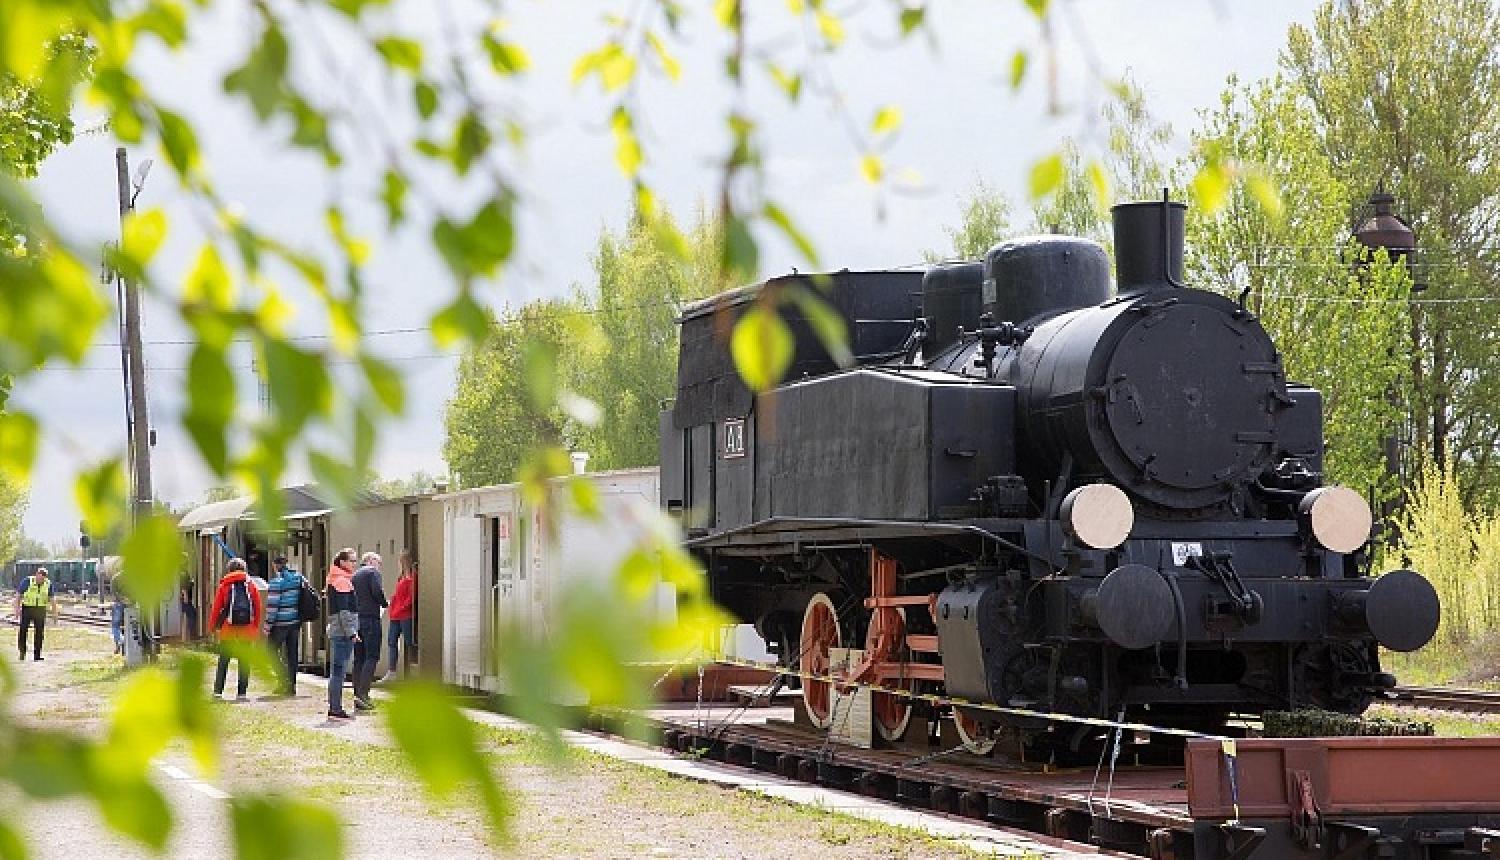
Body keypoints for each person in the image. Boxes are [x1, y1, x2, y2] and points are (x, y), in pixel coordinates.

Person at [208, 558, 264, 700]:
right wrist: (255, 627)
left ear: (229, 570)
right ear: (244, 569)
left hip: (228, 629)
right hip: (247, 629)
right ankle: (241, 693)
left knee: (224, 660)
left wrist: (212, 627)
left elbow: (216, 609)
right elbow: (258, 608)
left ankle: (218, 691)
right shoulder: (251, 585)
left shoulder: (224, 586)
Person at [325, 548, 359, 719]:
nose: (354, 564)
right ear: (342, 562)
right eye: (352, 561)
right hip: (343, 632)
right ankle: (335, 708)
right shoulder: (342, 582)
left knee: (336, 671)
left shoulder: (334, 579)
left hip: (337, 630)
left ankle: (334, 706)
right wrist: (352, 632)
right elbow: (344, 612)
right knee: (339, 671)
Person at [350, 551, 387, 710]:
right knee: (371, 656)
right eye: (379, 562)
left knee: (359, 658)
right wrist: (384, 603)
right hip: (371, 618)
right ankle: (363, 695)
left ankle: (357, 692)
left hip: (356, 620)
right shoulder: (372, 572)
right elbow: (377, 591)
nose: (380, 566)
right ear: (371, 561)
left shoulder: (354, 575)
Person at [265, 555, 305, 696]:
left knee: (270, 651)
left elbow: (272, 607)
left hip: (280, 623)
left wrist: (267, 626)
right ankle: (291, 686)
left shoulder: (276, 582)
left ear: (275, 565)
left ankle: (283, 679)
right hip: (294, 622)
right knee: (292, 654)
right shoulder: (298, 578)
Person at [383, 551, 416, 681]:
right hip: (396, 614)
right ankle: (392, 671)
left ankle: (413, 671)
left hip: (405, 614)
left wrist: (403, 606)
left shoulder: (412, 577)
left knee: (409, 642)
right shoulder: (401, 577)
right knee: (392, 641)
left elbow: (411, 596)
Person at [15, 567, 56, 661]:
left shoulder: (48, 584)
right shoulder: (27, 581)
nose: (40, 580)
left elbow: (53, 600)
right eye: (39, 578)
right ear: (36, 574)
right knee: (23, 630)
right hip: (27, 608)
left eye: (43, 579)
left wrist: (55, 614)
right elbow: (18, 595)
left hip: (40, 609)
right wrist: (17, 610)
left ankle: (37, 655)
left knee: (39, 633)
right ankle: (22, 652)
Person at [111, 576, 127, 656]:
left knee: (115, 626)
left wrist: (121, 599)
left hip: (119, 604)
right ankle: (124, 648)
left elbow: (113, 592)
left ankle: (119, 643)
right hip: (131, 604)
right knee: (129, 626)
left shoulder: (115, 578)